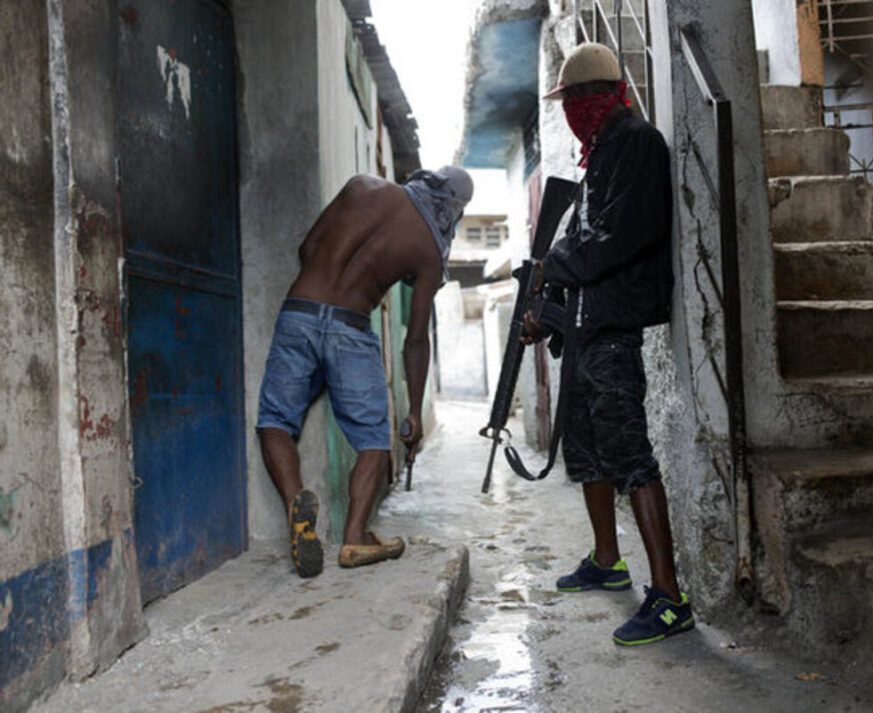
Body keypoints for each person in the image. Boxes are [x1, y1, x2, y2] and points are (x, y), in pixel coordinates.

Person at [523, 43, 693, 645]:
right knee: (590, 452)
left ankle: (670, 598)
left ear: (597, 97)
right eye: (564, 101)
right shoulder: (600, 155)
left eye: (574, 99)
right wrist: (544, 312)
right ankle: (606, 560)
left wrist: (550, 264)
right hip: (588, 329)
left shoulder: (637, 145)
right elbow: (585, 248)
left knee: (630, 456)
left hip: (616, 327)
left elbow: (616, 237)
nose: (569, 109)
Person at [256, 167, 473, 578]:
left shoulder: (361, 185)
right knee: (373, 438)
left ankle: (294, 506)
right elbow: (415, 340)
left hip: (299, 311)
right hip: (351, 327)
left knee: (275, 420)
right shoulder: (428, 249)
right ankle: (355, 537)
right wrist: (412, 413)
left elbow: (307, 248)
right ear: (453, 210)